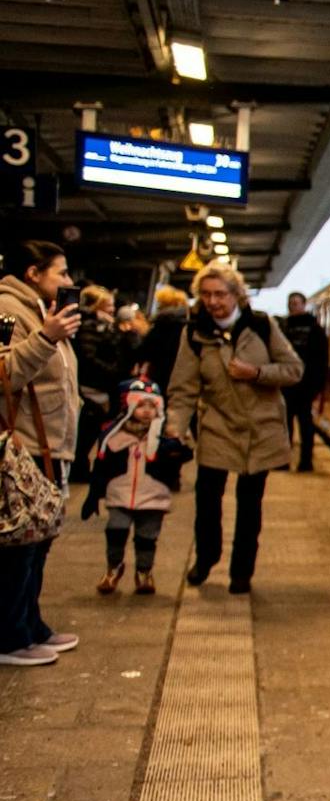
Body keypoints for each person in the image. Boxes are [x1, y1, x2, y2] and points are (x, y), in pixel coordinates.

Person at [164, 262, 302, 595]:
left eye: (220, 294)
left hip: (261, 430)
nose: (213, 302)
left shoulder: (262, 325)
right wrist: (175, 427)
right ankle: (207, 557)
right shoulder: (194, 333)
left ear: (236, 294)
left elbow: (294, 369)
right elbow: (183, 388)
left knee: (250, 504)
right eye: (206, 295)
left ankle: (242, 571)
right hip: (218, 427)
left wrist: (256, 373)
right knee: (207, 500)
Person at [0, 242, 84, 666]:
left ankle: (31, 626)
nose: (69, 283)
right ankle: (10, 638)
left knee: (39, 540)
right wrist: (46, 337)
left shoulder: (41, 310)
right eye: (62, 273)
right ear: (34, 272)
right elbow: (4, 373)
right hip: (24, 446)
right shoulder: (7, 309)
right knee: (20, 544)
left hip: (50, 445)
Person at [82, 378, 189, 595]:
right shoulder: (114, 435)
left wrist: (174, 442)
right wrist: (93, 494)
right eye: (141, 405)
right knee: (115, 530)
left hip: (153, 496)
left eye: (152, 405)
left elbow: (183, 456)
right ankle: (113, 567)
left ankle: (144, 572)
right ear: (128, 405)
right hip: (119, 493)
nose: (147, 411)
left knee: (146, 537)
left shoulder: (162, 437)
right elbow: (101, 466)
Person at [70, 284, 122, 481]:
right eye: (107, 305)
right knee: (87, 431)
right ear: (95, 306)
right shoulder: (89, 326)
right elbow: (88, 357)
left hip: (97, 385)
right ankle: (79, 469)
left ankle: (80, 468)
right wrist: (113, 372)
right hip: (91, 386)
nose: (112, 309)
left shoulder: (102, 325)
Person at [279, 291, 329, 472]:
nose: (292, 306)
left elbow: (321, 359)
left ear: (304, 304)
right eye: (290, 303)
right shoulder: (283, 328)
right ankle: (283, 460)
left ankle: (306, 461)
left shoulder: (315, 329)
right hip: (286, 384)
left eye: (296, 303)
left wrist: (317, 385)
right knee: (285, 424)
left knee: (305, 424)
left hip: (305, 385)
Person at [128, 286, 190, 388]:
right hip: (181, 374)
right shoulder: (188, 323)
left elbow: (146, 350)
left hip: (160, 373)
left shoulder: (162, 322)